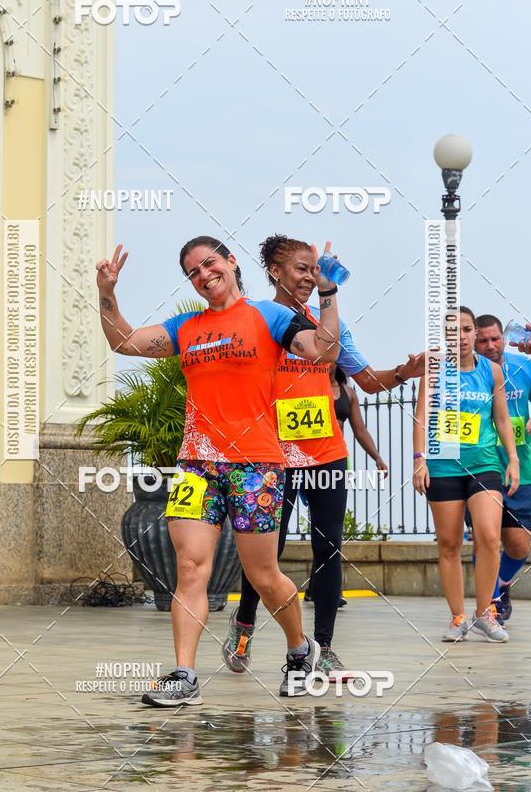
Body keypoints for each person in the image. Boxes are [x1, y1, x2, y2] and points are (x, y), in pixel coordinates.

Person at [96, 236, 343, 704]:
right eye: (192, 271)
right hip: (196, 465)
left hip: (257, 464)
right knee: (190, 569)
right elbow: (124, 341)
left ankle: (298, 649)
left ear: (231, 263)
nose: (203, 274)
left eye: (209, 263)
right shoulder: (186, 326)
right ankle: (184, 675)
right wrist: (107, 292)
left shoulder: (268, 317)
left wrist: (328, 293)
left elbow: (323, 351)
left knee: (265, 574)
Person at [222, 235, 424, 680]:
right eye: (302, 269)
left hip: (325, 455)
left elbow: (369, 381)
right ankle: (243, 626)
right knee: (265, 553)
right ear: (275, 272)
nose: (312, 278)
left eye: (316, 270)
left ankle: (324, 648)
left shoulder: (328, 325)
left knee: (328, 549)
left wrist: (407, 372)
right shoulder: (257, 319)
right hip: (269, 457)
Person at [413, 306, 519, 643]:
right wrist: (419, 460)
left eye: (466, 329)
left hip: (484, 463)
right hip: (443, 466)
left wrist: (512, 459)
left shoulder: (491, 371)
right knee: (449, 543)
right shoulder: (432, 372)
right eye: (452, 331)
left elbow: (502, 419)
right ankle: (458, 617)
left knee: (489, 536)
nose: (460, 337)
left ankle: (484, 612)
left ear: (475, 332)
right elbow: (420, 417)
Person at [304, 365, 388, 603]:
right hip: (302, 460)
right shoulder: (304, 386)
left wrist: (377, 457)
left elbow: (360, 431)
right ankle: (316, 586)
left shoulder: (348, 393)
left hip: (334, 462)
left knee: (329, 528)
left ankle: (325, 588)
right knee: (315, 526)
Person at [475, 314, 531, 622]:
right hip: (482, 469)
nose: (490, 345)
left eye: (495, 338)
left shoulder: (525, 367)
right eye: (482, 340)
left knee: (519, 543)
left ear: (503, 337)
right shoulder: (468, 373)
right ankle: (489, 602)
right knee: (487, 537)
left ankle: (500, 584)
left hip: (522, 468)